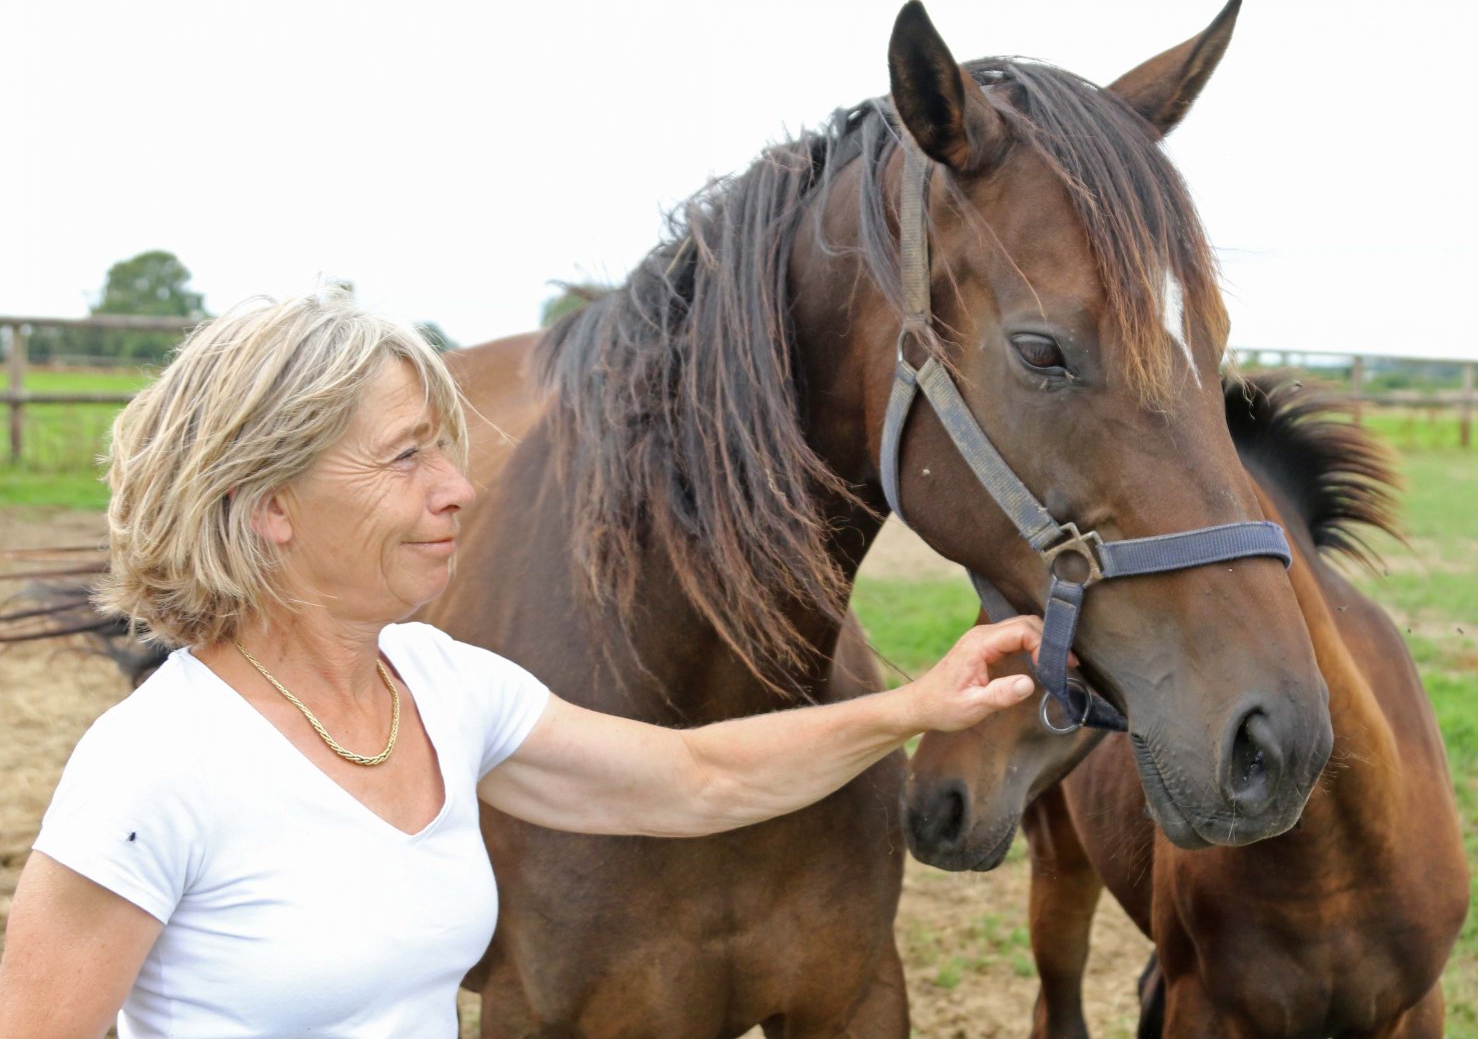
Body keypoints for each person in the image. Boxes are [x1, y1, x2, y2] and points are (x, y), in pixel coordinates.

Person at [0, 292, 1046, 1038]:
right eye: (406, 456)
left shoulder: (439, 683)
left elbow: (696, 778)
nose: (458, 488)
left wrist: (913, 705)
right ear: (272, 504)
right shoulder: (154, 766)